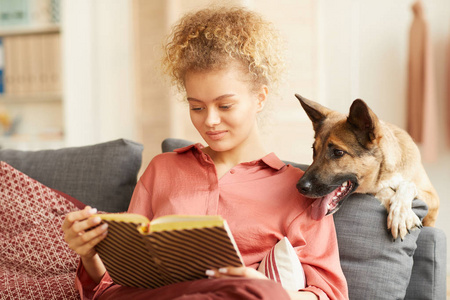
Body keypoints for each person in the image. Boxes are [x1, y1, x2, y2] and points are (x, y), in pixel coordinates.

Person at [62, 6, 348, 300]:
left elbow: (329, 294)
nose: (209, 120)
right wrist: (88, 253)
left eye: (225, 106)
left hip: (240, 296)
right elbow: (111, 283)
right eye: (196, 107)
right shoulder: (163, 169)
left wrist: (264, 289)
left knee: (254, 289)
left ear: (259, 98)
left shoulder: (302, 190)